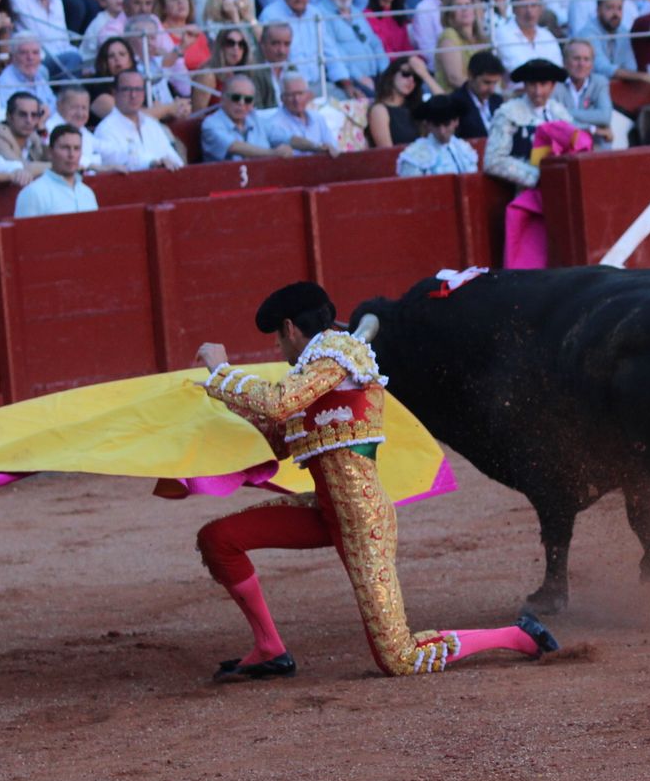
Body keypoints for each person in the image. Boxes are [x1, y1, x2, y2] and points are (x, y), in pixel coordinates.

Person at [192, 281, 558, 682]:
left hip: (364, 522)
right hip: (326, 510)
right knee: (218, 538)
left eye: (277, 339)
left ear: (289, 328)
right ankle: (269, 649)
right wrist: (216, 405)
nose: (279, 350)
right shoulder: (318, 373)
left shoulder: (341, 355)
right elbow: (279, 438)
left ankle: (517, 635)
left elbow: (278, 401)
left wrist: (221, 371)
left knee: (399, 657)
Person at [485, 56, 571, 188]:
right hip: (523, 192)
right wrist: (538, 177)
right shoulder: (509, 113)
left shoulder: (560, 113)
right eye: (532, 84)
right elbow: (493, 161)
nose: (538, 92)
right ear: (524, 85)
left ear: (552, 86)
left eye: (543, 85)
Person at [95, 67, 185, 168]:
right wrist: (153, 163)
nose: (133, 95)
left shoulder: (152, 124)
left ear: (143, 94)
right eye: (127, 89)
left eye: (138, 89)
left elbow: (176, 161)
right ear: (115, 93)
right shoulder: (105, 129)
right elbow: (118, 162)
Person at [12, 124, 99, 218]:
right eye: (65, 148)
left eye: (76, 148)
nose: (72, 154)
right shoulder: (33, 193)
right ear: (50, 151)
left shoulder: (87, 193)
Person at [202, 72, 293, 158]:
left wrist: (305, 145)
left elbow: (287, 138)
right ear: (223, 98)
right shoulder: (211, 123)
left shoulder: (256, 119)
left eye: (248, 100)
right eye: (236, 98)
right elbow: (233, 147)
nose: (241, 103)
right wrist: (273, 153)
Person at [395, 91, 476, 173]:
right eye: (436, 125)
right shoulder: (414, 156)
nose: (442, 131)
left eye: (446, 124)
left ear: (456, 121)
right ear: (427, 125)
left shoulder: (464, 149)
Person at [366, 53, 435, 145]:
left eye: (416, 78)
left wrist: (425, 75)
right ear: (392, 75)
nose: (411, 80)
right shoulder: (379, 110)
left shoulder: (415, 107)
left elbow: (448, 108)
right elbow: (386, 153)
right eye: (406, 74)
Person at [493, 0, 562, 69]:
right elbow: (515, 68)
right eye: (524, 6)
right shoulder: (502, 33)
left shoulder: (547, 36)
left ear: (540, 9)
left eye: (533, 6)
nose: (529, 11)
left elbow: (558, 68)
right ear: (514, 8)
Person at [555, 37, 611, 140]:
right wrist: (591, 129)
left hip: (595, 145)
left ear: (592, 64)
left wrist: (566, 112)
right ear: (564, 62)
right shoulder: (556, 85)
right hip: (565, 143)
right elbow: (555, 121)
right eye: (576, 58)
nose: (581, 64)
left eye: (586, 59)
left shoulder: (600, 82)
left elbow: (605, 117)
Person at [0, 89, 49, 170]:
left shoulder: (33, 137)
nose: (29, 120)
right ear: (9, 116)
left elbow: (50, 158)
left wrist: (42, 131)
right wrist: (56, 168)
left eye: (34, 115)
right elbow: (20, 168)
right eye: (22, 114)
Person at [450, 48, 502, 138]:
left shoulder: (497, 101)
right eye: (487, 82)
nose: (491, 89)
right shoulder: (454, 104)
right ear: (471, 76)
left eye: (495, 83)